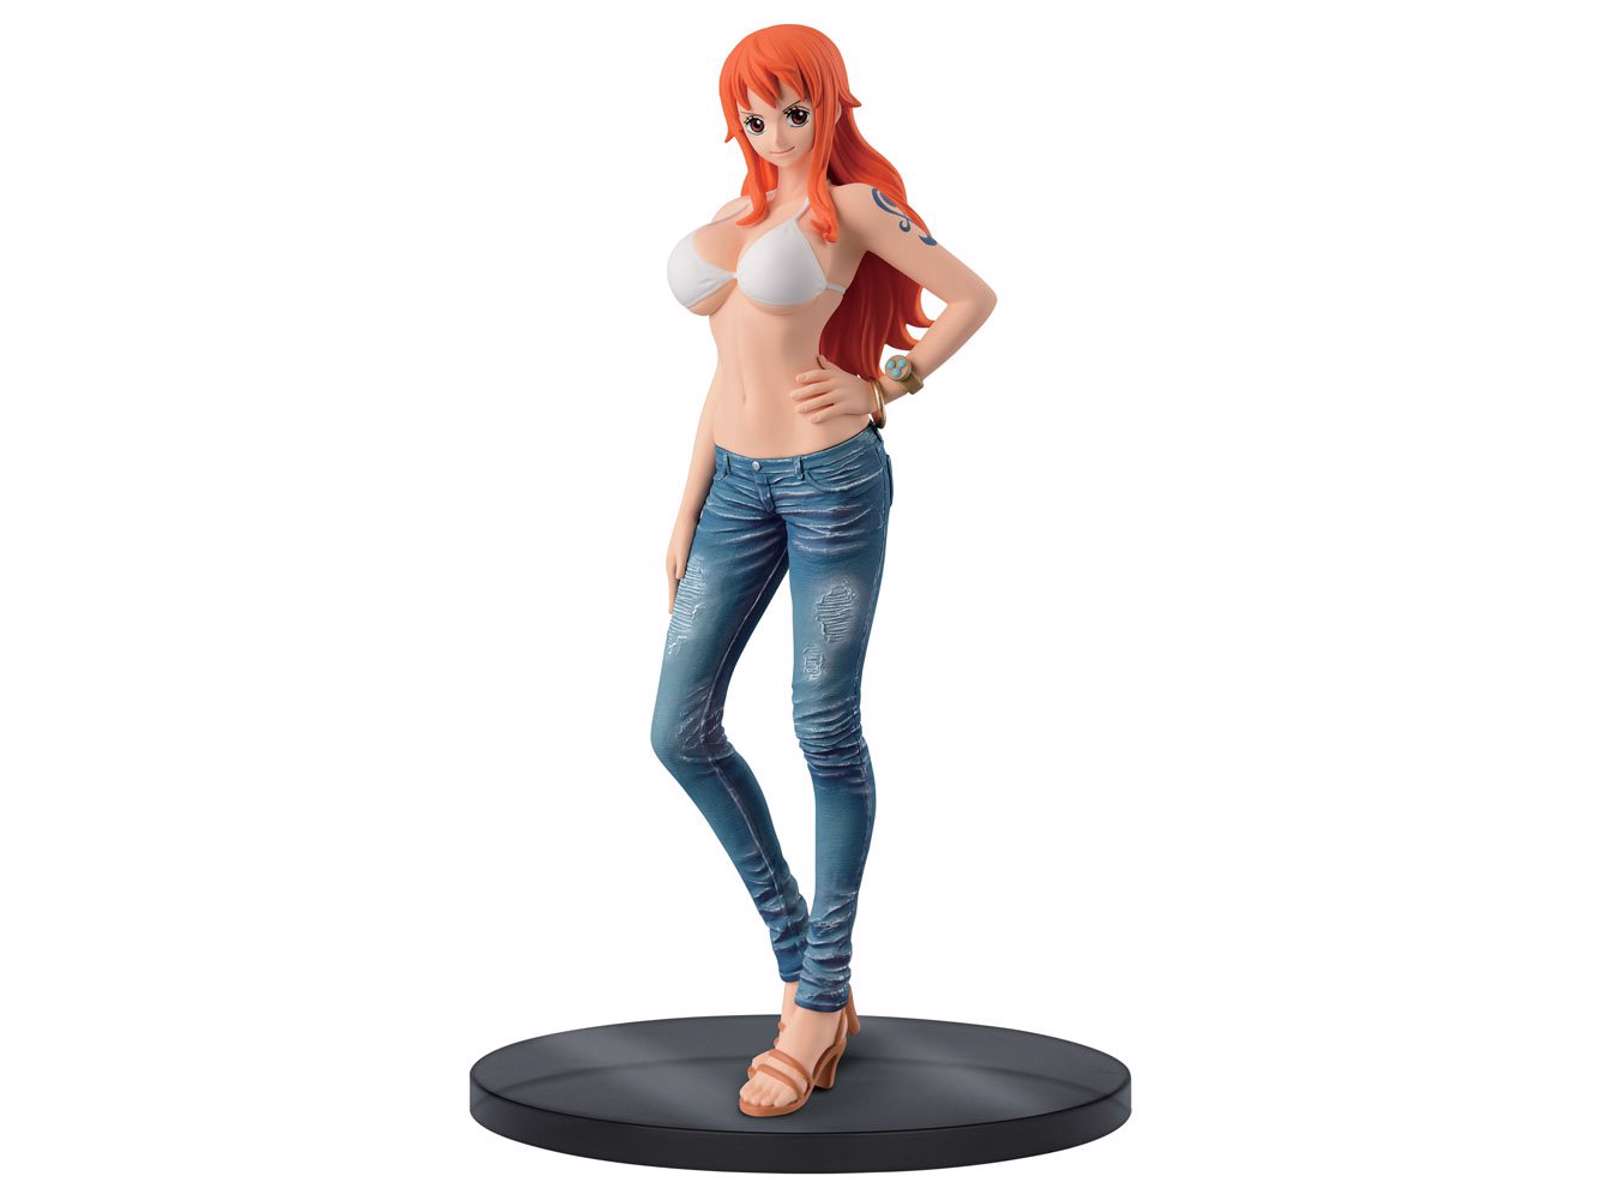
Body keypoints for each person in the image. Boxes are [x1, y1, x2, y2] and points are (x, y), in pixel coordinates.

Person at [650, 23, 998, 1118]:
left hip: (830, 482)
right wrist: (688, 497)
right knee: (677, 731)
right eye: (754, 114)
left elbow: (974, 296)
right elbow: (730, 367)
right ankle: (808, 961)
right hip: (734, 490)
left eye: (793, 110)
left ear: (828, 103)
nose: (775, 131)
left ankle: (815, 1002)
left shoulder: (851, 208)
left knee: (822, 728)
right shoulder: (738, 212)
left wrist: (886, 386)